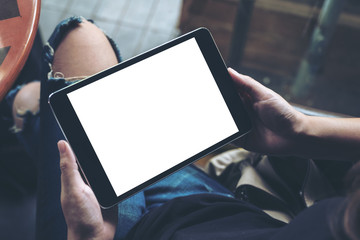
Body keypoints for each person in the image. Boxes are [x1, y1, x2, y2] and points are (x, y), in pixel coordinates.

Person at [6, 17, 360, 240]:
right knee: (82, 52)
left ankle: (24, 109)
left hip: (117, 232)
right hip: (222, 209)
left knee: (77, 45)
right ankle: (27, 109)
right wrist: (302, 130)